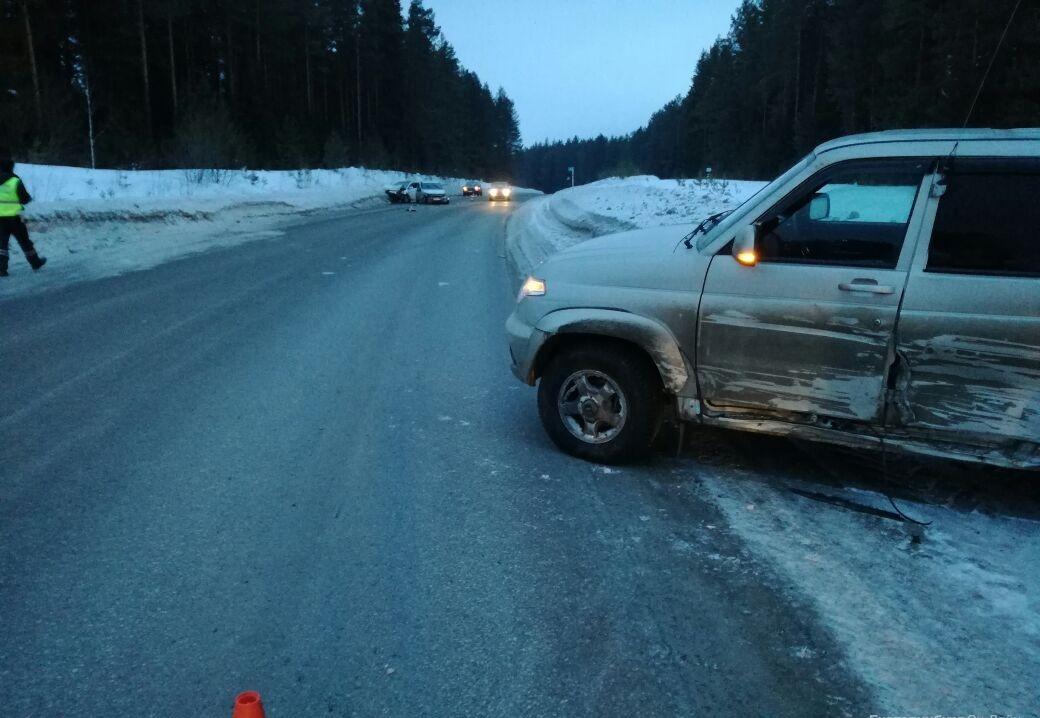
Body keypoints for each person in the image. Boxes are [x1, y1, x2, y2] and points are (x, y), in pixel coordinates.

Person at [0, 157, 46, 277]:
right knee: (24, 241)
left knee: (1, 245)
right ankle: (35, 262)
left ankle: (1, 269)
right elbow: (25, 199)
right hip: (15, 218)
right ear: (10, 167)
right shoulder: (15, 180)